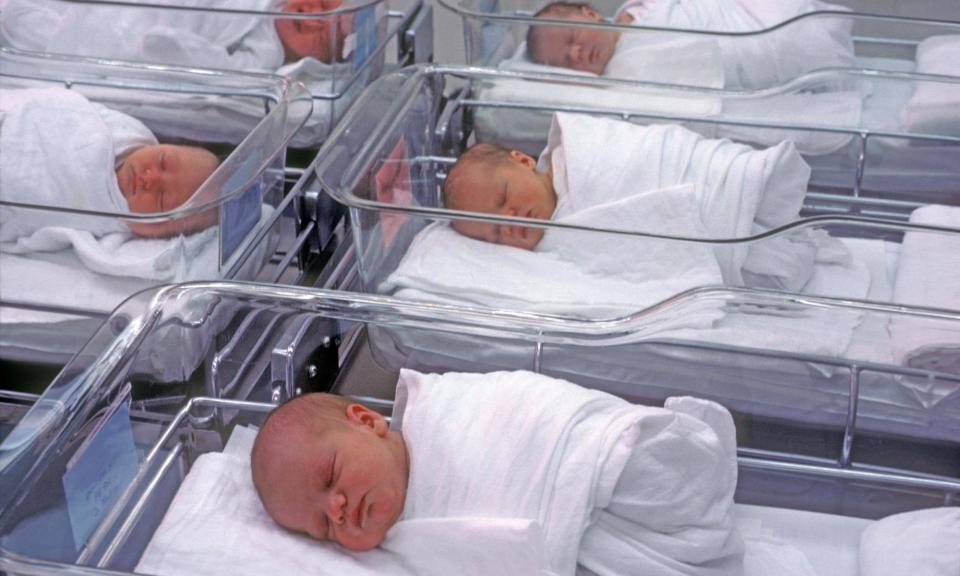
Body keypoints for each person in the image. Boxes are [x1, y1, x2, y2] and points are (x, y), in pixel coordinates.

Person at [250, 369, 744, 575]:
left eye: (330, 476)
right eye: (322, 526)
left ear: (367, 421)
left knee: (646, 470)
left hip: (590, 452)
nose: (336, 508)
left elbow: (530, 412)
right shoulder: (414, 545)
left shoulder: (447, 406)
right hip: (597, 539)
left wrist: (585, 455)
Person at [0, 87, 220, 243]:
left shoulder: (108, 220)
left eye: (161, 199)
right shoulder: (129, 132)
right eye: (163, 162)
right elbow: (63, 108)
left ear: (152, 232)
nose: (149, 179)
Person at [524, 0, 854, 89]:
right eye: (566, 61)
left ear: (591, 13)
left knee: (790, 30)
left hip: (744, 19)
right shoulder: (624, 71)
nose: (577, 53)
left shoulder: (640, 8)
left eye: (572, 38)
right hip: (736, 53)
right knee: (771, 47)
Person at [0, 0, 355, 72]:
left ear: (314, 61)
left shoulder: (266, 53)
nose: (313, 19)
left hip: (139, 27)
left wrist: (173, 48)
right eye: (320, 5)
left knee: (28, 23)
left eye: (322, 37)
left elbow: (219, 67)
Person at [441, 143, 557, 250]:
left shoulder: (568, 165)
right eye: (497, 232)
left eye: (504, 198)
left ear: (524, 161)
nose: (508, 221)